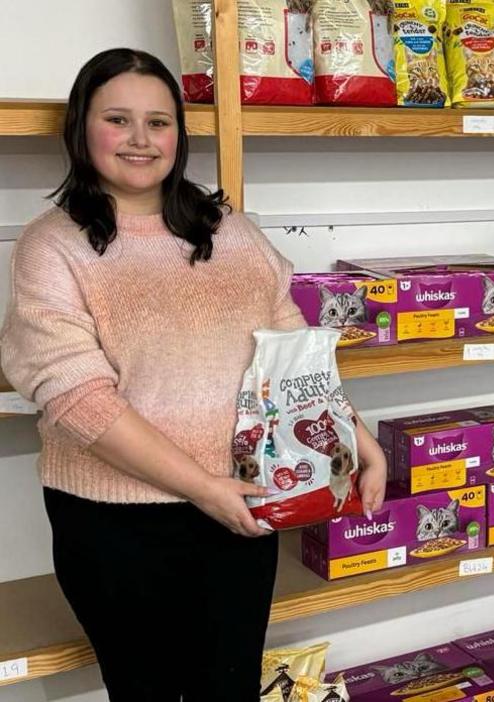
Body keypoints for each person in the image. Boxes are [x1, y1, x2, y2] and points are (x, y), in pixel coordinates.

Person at [0, 48, 387, 699]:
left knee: (229, 686)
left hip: (242, 503)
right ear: (81, 129)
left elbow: (289, 352)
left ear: (179, 133)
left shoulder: (230, 232)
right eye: (117, 119)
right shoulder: (52, 246)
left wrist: (356, 440)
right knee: (147, 690)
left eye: (159, 121)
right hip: (116, 527)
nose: (141, 139)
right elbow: (77, 399)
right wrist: (203, 488)